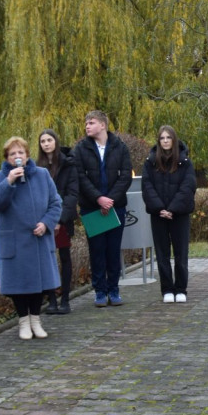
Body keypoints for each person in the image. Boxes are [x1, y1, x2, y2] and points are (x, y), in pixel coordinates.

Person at [0, 136, 62, 340]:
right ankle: (23, 322)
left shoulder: (42, 175)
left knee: (38, 283)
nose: (17, 156)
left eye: (21, 153)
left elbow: (56, 203)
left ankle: (36, 320)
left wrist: (46, 223)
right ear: (7, 158)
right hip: (14, 241)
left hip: (38, 239)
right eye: (12, 154)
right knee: (19, 285)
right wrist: (8, 182)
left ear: (27, 155)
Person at [72, 110, 134, 307]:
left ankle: (114, 290)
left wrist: (110, 200)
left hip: (116, 207)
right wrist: (98, 198)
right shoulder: (80, 149)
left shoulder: (120, 147)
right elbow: (80, 177)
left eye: (91, 123)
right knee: (97, 250)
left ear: (103, 125)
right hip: (92, 209)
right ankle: (100, 292)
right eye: (86, 123)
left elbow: (125, 176)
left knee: (113, 250)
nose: (87, 126)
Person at [141, 126, 197, 303]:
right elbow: (147, 187)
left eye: (168, 138)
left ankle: (181, 288)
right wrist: (160, 209)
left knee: (181, 253)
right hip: (158, 215)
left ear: (174, 140)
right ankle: (167, 289)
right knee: (162, 254)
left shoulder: (185, 162)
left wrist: (172, 209)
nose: (165, 140)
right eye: (162, 138)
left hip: (179, 215)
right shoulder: (150, 162)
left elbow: (188, 187)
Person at [37, 129, 79, 314]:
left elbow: (72, 194)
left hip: (62, 219)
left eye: (49, 140)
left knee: (64, 258)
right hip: (43, 220)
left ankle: (65, 299)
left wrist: (60, 219)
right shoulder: (38, 167)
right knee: (47, 259)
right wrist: (46, 220)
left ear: (56, 141)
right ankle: (52, 299)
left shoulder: (69, 164)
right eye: (42, 141)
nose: (46, 144)